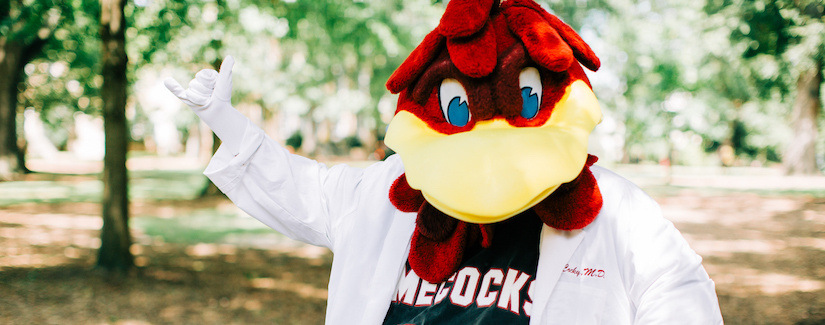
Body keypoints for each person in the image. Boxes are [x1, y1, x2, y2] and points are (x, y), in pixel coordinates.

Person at [165, 1, 723, 323]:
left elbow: (677, 293)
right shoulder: (392, 189)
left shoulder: (615, 211)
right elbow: (305, 192)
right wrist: (227, 124)